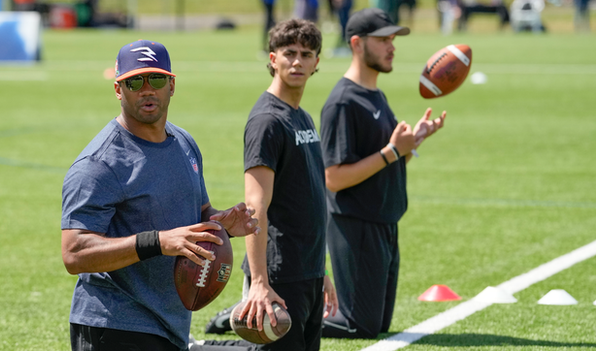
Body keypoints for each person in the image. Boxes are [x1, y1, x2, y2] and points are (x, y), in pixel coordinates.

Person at [61, 39, 259, 351]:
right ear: (118, 90)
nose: (147, 89)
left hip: (170, 324)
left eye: (156, 79)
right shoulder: (99, 164)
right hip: (114, 325)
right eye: (134, 81)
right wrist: (158, 242)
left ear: (171, 85)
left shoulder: (184, 143)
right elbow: (74, 254)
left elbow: (199, 212)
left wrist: (220, 224)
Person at [197, 19, 337, 351]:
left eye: (307, 54)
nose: (298, 61)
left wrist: (321, 270)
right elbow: (255, 206)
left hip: (308, 270)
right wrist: (259, 281)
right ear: (273, 59)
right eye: (289, 53)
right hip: (279, 272)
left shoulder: (300, 115)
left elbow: (309, 199)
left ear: (317, 62)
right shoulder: (267, 121)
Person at [320, 8, 446, 339]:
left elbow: (385, 162)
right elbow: (333, 177)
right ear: (357, 44)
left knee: (377, 325)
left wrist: (410, 145)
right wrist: (392, 151)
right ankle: (274, 314)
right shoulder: (343, 102)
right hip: (357, 223)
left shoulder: (376, 95)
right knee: (358, 324)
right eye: (384, 40)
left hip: (385, 221)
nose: (392, 47)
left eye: (393, 39)